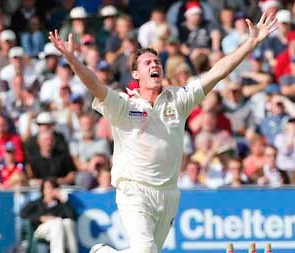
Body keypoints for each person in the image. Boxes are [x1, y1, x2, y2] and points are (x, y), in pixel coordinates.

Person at [49, 10, 277, 253]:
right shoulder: (124, 105)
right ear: (136, 75)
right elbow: (95, 85)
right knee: (145, 251)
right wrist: (73, 60)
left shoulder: (178, 99)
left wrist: (251, 42)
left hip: (168, 194)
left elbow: (217, 73)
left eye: (156, 61)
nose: (155, 64)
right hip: (134, 190)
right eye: (147, 63)